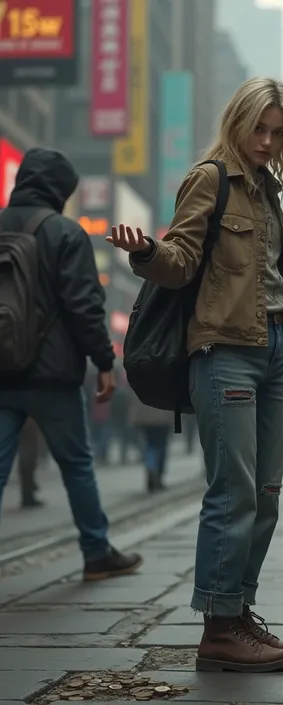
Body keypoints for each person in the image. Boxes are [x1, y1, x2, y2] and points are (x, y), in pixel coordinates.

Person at [107, 77, 283, 673]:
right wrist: (146, 251)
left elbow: (282, 286)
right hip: (225, 350)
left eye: (279, 133)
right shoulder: (210, 178)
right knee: (234, 491)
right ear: (238, 122)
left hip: (275, 351)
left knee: (268, 495)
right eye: (260, 129)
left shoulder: (269, 190)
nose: (268, 142)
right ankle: (219, 629)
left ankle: (240, 611)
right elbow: (180, 261)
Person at [0, 148, 142, 581]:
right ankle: (96, 553)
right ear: (61, 190)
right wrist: (103, 361)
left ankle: (98, 551)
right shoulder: (65, 232)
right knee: (77, 464)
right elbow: (84, 306)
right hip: (53, 376)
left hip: (1, 374)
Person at [129, 397, 173, 492]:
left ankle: (151, 467)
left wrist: (134, 416)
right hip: (164, 414)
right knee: (161, 445)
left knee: (151, 444)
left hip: (146, 415)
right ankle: (159, 474)